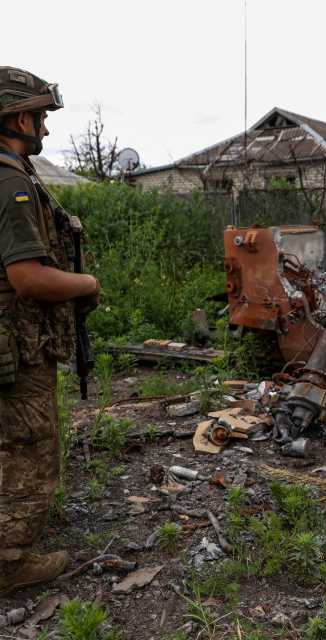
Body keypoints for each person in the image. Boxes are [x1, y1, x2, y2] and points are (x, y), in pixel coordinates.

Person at [0, 67, 100, 595]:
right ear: (20, 117)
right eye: (40, 117)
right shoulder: (11, 181)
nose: (45, 128)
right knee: (28, 445)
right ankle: (9, 561)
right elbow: (27, 278)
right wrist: (86, 282)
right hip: (16, 341)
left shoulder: (16, 174)